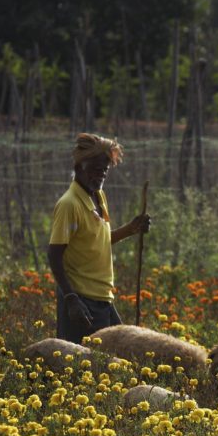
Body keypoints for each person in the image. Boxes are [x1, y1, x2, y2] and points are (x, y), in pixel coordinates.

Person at [48, 133, 151, 343]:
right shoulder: (69, 204)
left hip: (103, 297)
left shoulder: (98, 196)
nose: (100, 176)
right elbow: (54, 255)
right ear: (79, 167)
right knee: (82, 365)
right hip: (81, 299)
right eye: (95, 170)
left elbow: (97, 240)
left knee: (123, 351)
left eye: (104, 171)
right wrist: (70, 298)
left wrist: (132, 229)